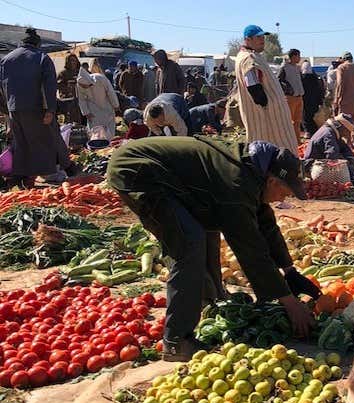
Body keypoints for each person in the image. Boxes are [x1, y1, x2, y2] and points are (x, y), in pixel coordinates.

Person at [106, 137, 319, 361]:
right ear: (273, 181)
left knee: (208, 225)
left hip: (167, 177)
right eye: (285, 193)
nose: (282, 199)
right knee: (189, 242)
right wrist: (288, 301)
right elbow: (251, 250)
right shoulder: (237, 183)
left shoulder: (254, 172)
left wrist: (289, 271)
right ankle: (177, 341)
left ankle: (211, 301)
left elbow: (266, 225)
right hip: (138, 171)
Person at [0, 28, 71, 186]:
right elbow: (49, 86)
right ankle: (50, 175)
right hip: (36, 108)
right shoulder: (41, 57)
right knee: (44, 141)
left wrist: (7, 112)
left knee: (21, 143)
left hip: (14, 109)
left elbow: (1, 88)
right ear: (37, 44)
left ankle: (20, 176)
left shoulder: (6, 60)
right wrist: (50, 110)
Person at [235, 25, 298, 153]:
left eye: (263, 37)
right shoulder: (248, 58)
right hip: (266, 115)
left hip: (269, 112)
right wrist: (265, 105)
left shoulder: (252, 55)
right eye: (258, 37)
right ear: (248, 39)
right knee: (272, 148)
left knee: (271, 148)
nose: (262, 40)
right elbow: (253, 85)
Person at [334, 52, 354, 146]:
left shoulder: (342, 68)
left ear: (343, 59)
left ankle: (347, 145)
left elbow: (340, 84)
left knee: (345, 123)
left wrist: (337, 99)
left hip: (346, 100)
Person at [77, 67, 120, 140]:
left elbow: (110, 92)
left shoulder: (100, 78)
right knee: (94, 129)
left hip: (106, 105)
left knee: (109, 128)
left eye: (85, 86)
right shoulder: (79, 85)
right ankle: (96, 143)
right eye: (82, 86)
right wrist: (86, 112)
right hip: (93, 108)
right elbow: (81, 99)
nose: (84, 87)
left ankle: (108, 143)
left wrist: (116, 105)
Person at [278, 49, 305, 142]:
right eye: (298, 56)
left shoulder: (298, 68)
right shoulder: (284, 67)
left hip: (299, 97)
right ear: (293, 56)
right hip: (290, 98)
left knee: (297, 122)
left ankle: (297, 141)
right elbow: (279, 81)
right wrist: (289, 89)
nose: (300, 58)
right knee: (288, 121)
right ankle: (288, 141)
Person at [57, 53, 83, 124]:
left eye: (74, 60)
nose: (73, 62)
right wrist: (69, 87)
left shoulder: (80, 72)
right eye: (71, 60)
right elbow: (59, 85)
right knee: (69, 119)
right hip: (68, 100)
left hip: (81, 99)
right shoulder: (63, 73)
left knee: (80, 118)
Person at [301, 61, 324, 136]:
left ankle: (307, 131)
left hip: (305, 100)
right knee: (313, 116)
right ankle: (314, 131)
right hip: (314, 101)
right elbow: (320, 90)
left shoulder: (302, 78)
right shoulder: (315, 78)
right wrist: (320, 100)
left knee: (306, 116)